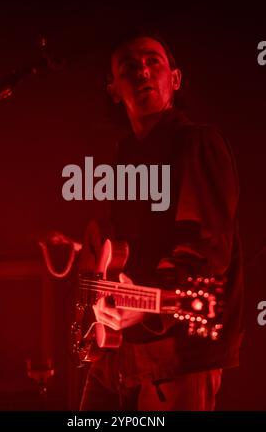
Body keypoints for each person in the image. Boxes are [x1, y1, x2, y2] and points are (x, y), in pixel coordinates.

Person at [79, 32, 244, 411]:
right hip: (117, 355)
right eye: (128, 67)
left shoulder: (197, 144)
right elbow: (115, 251)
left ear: (176, 79)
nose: (142, 70)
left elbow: (204, 249)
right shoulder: (122, 157)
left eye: (153, 61)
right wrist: (82, 257)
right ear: (113, 89)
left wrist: (148, 303)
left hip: (177, 357)